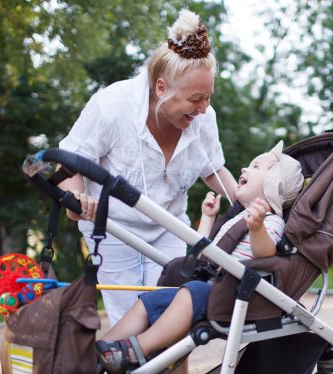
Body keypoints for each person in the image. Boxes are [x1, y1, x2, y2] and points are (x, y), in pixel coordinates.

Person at [58, 9, 237, 328]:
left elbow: (213, 170)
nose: (204, 108)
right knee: (129, 317)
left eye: (208, 98)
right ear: (161, 88)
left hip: (168, 223)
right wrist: (75, 201)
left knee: (173, 311)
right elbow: (70, 161)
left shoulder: (202, 118)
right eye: (196, 98)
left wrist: (247, 203)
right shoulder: (113, 106)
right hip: (112, 226)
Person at [95, 140, 304, 374]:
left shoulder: (271, 221)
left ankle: (136, 350)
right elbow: (206, 253)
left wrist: (257, 229)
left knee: (190, 291)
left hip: (237, 296)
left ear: (273, 184)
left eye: (256, 167)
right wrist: (208, 218)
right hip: (211, 288)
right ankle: (99, 354)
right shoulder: (237, 218)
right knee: (149, 301)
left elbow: (266, 256)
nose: (244, 169)